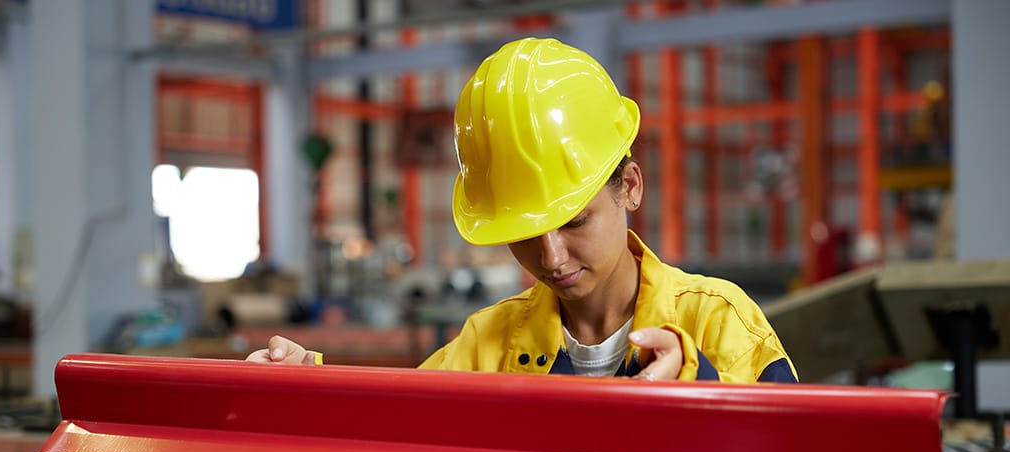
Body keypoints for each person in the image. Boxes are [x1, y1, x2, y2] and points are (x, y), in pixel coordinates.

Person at [249, 37, 797, 383]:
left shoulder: (719, 323)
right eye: (525, 232)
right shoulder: (489, 344)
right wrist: (304, 384)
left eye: (574, 221)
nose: (552, 256)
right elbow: (391, 431)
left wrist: (695, 390)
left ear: (629, 186)